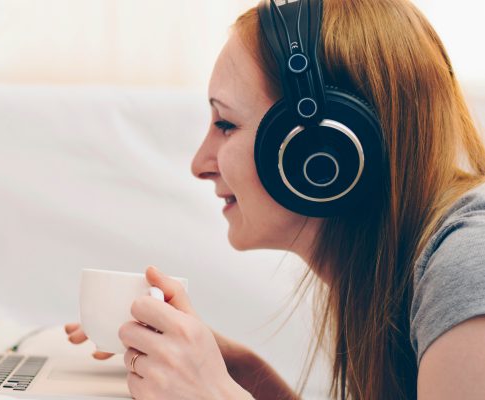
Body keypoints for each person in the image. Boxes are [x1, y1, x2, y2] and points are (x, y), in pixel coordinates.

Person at [65, 0, 485, 398]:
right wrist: (243, 375)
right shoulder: (397, 270)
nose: (199, 164)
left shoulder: (468, 267)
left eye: (225, 123)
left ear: (322, 151)